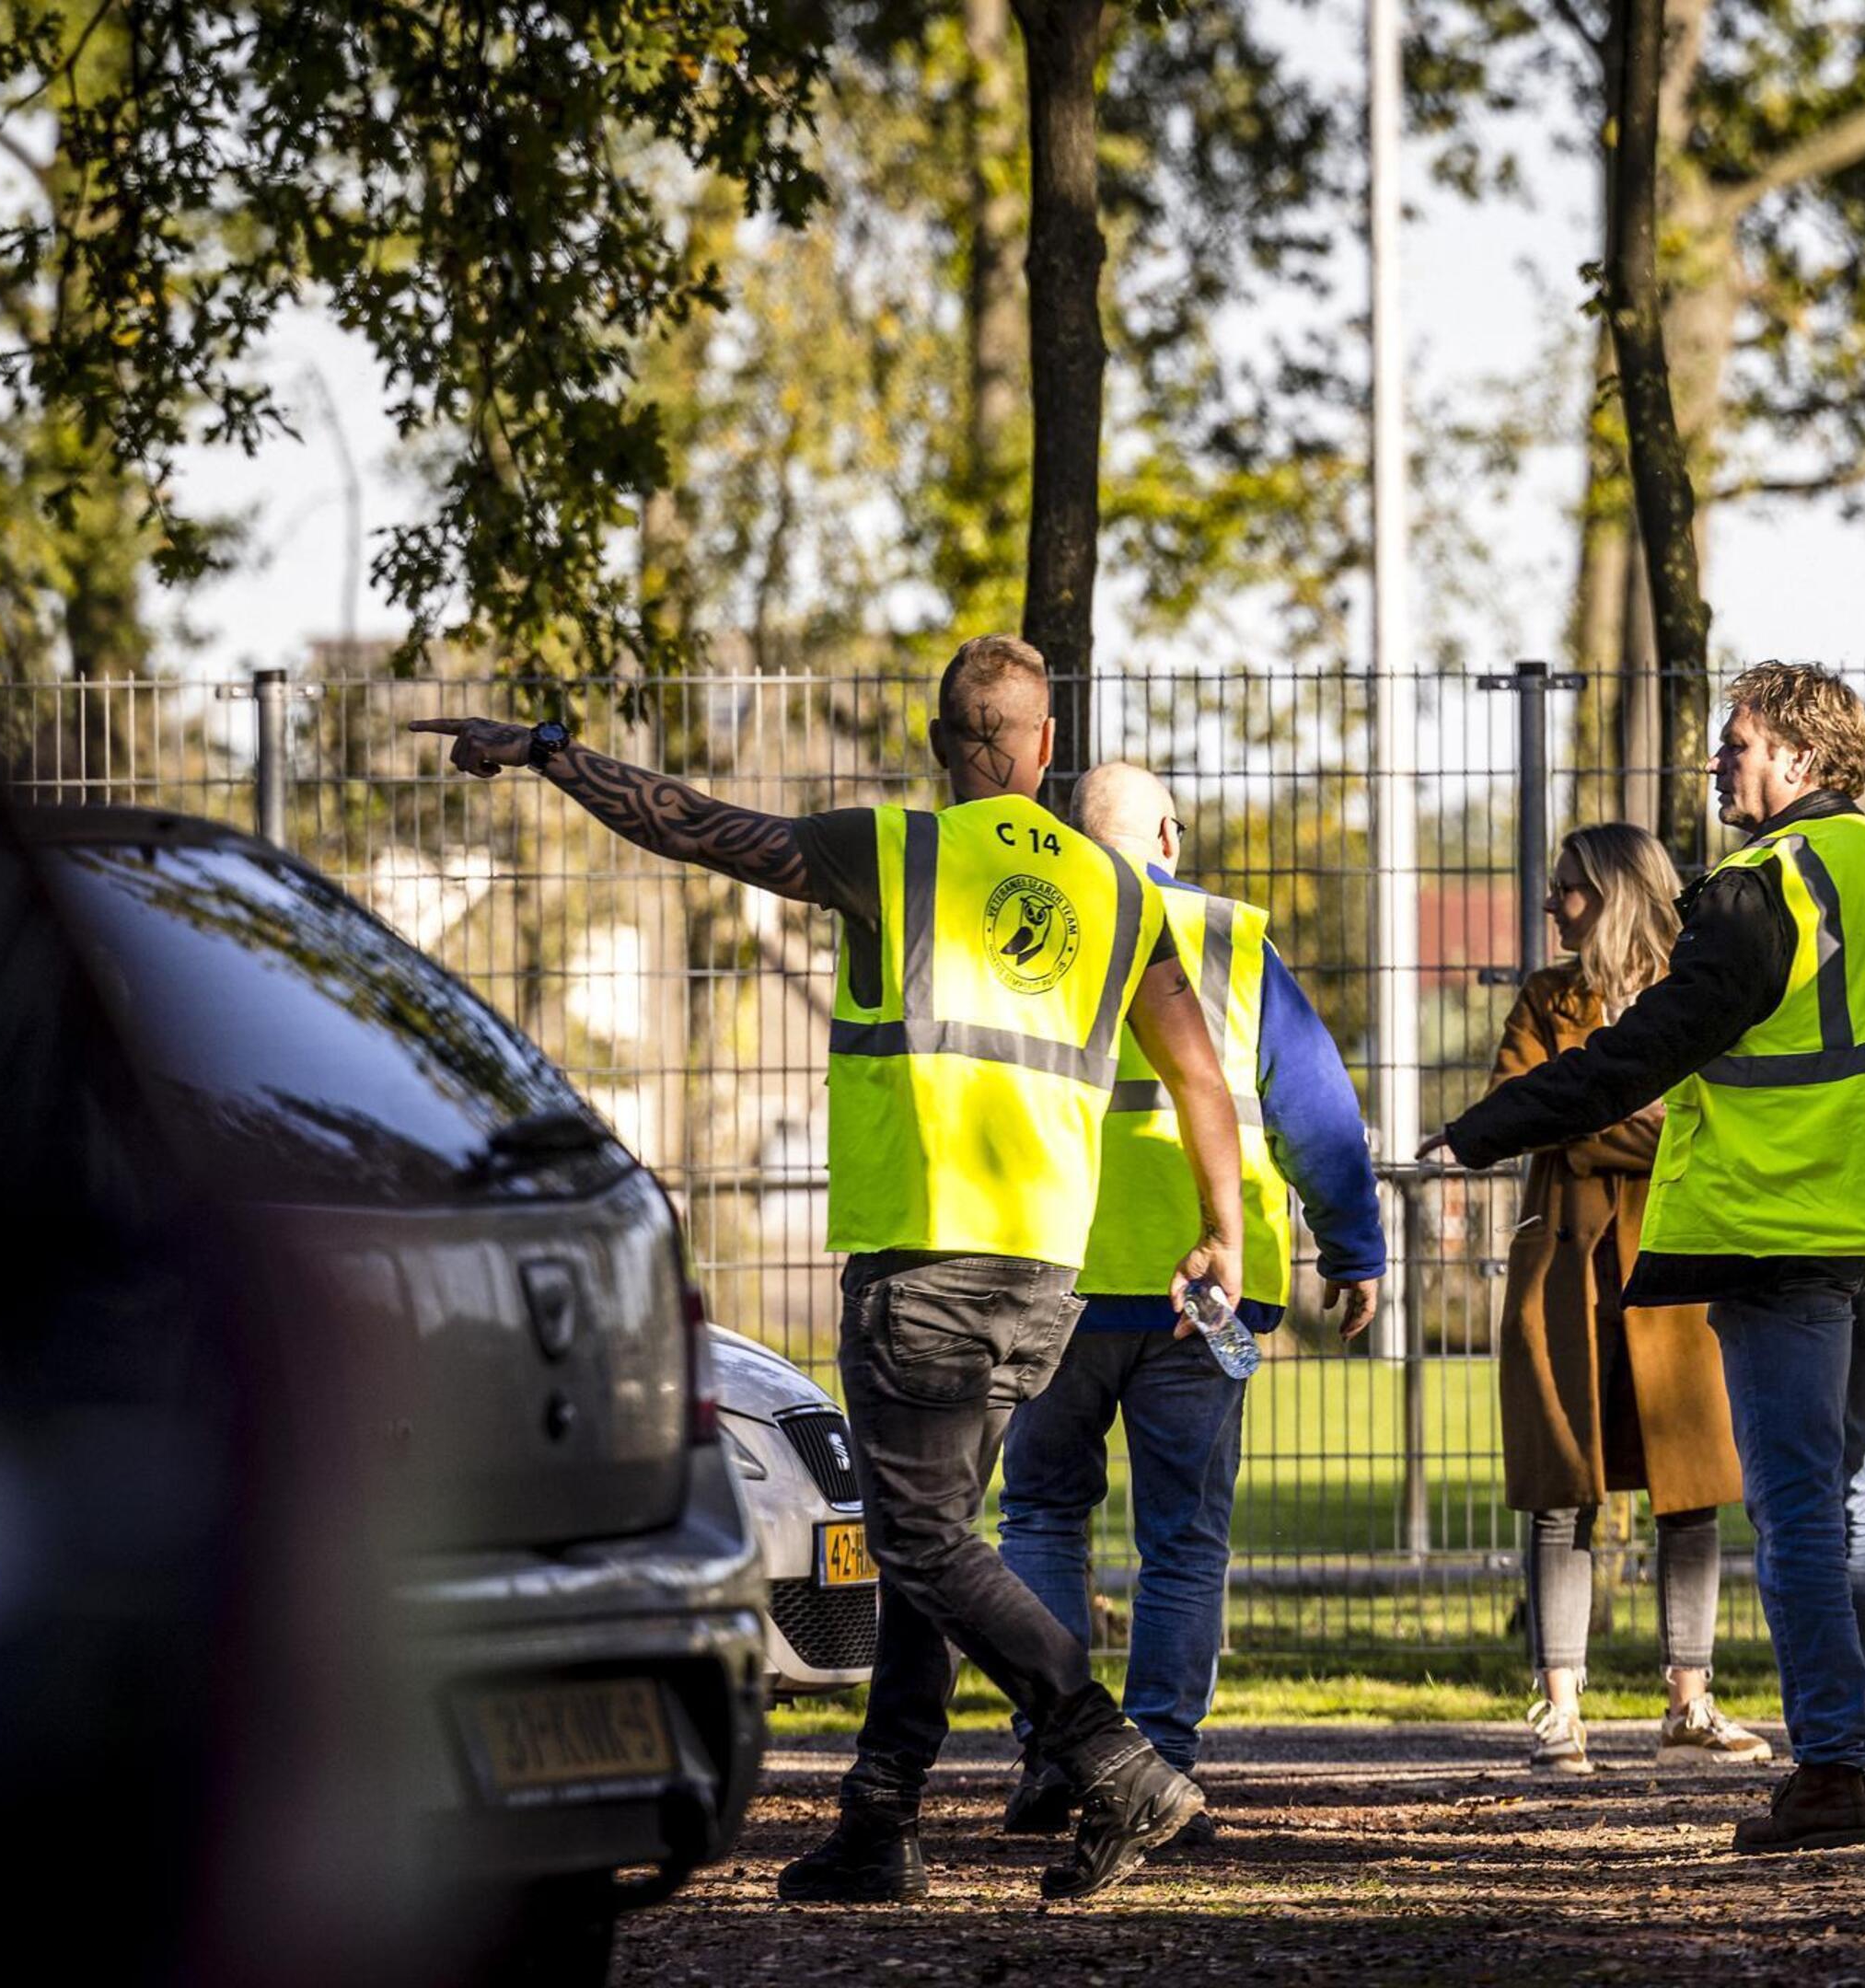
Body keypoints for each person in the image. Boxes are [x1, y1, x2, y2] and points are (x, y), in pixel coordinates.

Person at [411, 638, 1245, 1904]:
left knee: (921, 1540)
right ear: (1044, 746)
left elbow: (692, 827)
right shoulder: (1120, 892)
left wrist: (548, 753)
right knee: (930, 1544)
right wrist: (1221, 1229)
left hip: (922, 1259)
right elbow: (1198, 1074)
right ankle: (879, 1816)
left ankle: (1110, 1756)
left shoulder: (894, 852)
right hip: (1042, 1275)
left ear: (939, 742)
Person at [1424, 663, 1865, 1854]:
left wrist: (1483, 1130)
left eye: (1734, 745)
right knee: (1845, 1490)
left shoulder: (1759, 887)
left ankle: (1831, 1768)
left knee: (1797, 1508)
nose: (1714, 765)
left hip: (1783, 1229)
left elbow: (1643, 1051)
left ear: (1798, 758)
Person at [992, 763, 1388, 1832]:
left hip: (1052, 1274)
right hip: (1203, 1287)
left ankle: (1059, 1753)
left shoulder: (1024, 932)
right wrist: (1352, 1246)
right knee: (1183, 1536)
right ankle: (1159, 1761)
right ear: (1168, 835)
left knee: (1040, 1515)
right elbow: (1316, 1112)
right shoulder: (1229, 940)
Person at [1490, 824, 1768, 1775]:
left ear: (1614, 894)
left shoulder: (1694, 992)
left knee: (1691, 1490)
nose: (1551, 904)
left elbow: (1711, 1124)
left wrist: (1586, 1112)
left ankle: (1689, 1705)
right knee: (1560, 1488)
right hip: (1566, 1275)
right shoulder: (1546, 998)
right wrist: (1633, 1114)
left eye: (1567, 888)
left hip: (1672, 1275)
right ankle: (1560, 1710)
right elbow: (1527, 1107)